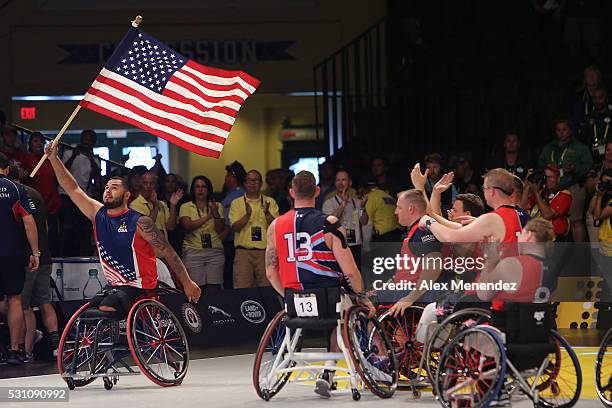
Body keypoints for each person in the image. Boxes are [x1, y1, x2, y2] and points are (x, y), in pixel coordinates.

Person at [45, 143, 200, 317]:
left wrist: (187, 282)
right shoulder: (98, 214)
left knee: (107, 308)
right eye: (106, 188)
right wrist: (54, 158)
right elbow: (72, 188)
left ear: (127, 195)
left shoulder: (141, 222)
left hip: (140, 286)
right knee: (89, 311)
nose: (108, 191)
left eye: (114, 188)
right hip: (115, 285)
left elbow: (169, 252)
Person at [264, 170, 375, 398]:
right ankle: (329, 370)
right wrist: (362, 296)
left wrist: (286, 295)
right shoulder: (329, 223)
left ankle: (318, 370)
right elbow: (351, 271)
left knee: (335, 305)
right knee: (344, 309)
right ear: (317, 191)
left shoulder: (275, 226)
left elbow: (270, 272)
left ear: (291, 192)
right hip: (328, 301)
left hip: (293, 301)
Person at [8, 164, 58, 362]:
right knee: (45, 302)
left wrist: (31, 252)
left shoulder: (15, 195)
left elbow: (22, 227)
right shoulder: (36, 194)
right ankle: (56, 346)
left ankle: (26, 351)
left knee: (23, 305)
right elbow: (44, 225)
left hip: (29, 258)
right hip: (44, 256)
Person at [419, 168, 530, 257]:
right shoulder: (525, 216)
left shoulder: (493, 219)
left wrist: (429, 222)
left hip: (506, 281)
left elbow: (451, 237)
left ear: (492, 191)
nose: (483, 192)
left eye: (484, 188)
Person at [0, 153, 39, 365]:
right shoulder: (16, 189)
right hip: (13, 253)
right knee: (15, 299)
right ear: (6, 169)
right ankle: (15, 350)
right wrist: (36, 252)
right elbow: (28, 221)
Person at [387, 189, 444, 316]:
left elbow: (434, 265)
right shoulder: (415, 231)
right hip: (404, 288)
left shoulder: (423, 230)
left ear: (411, 209)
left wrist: (411, 297)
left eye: (399, 208)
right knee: (368, 296)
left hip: (414, 295)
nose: (396, 212)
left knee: (365, 301)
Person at [539, 118, 593, 243]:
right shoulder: (549, 148)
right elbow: (540, 164)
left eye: (564, 129)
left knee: (576, 220)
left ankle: (579, 251)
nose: (561, 133)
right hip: (552, 187)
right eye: (558, 130)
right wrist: (548, 166)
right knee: (551, 218)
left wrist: (575, 168)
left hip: (573, 185)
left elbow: (588, 164)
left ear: (570, 130)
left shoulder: (580, 147)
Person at [476, 218, 554, 303]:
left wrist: (491, 259)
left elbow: (483, 294)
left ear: (528, 235)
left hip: (510, 315)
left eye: (520, 233)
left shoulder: (512, 265)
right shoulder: (554, 267)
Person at [229, 170, 279, 288]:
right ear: (244, 184)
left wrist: (267, 214)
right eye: (249, 180)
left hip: (265, 252)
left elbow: (277, 227)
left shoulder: (270, 202)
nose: (252, 183)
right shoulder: (237, 203)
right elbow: (235, 228)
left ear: (261, 183)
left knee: (267, 288)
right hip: (243, 252)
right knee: (242, 288)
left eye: (256, 180)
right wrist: (247, 216)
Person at [179, 176, 227, 293]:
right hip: (193, 251)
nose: (200, 190)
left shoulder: (217, 206)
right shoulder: (186, 206)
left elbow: (220, 229)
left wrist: (215, 212)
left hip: (214, 251)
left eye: (203, 187)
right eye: (197, 187)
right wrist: (207, 217)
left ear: (209, 189)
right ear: (193, 190)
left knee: (214, 288)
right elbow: (188, 226)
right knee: (197, 289)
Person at [58, 130, 102, 256]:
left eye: (90, 141)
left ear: (93, 143)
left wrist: (91, 159)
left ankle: (83, 253)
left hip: (84, 195)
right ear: (81, 140)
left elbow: (97, 175)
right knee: (67, 226)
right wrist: (74, 155)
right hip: (66, 194)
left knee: (84, 227)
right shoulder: (69, 153)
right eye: (85, 140)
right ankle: (65, 253)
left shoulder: (94, 159)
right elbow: (62, 170)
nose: (87, 143)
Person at [22, 132, 62, 256]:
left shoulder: (50, 159)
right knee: (38, 237)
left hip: (51, 204)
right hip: (35, 205)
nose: (38, 144)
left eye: (40, 141)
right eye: (35, 141)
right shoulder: (26, 158)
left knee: (53, 238)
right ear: (30, 144)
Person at [130, 172, 183, 259]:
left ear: (156, 186)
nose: (148, 186)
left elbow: (171, 227)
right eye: (145, 183)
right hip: (146, 254)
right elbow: (146, 228)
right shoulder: (135, 205)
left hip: (163, 254)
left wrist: (173, 205)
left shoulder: (162, 204)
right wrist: (155, 206)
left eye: (151, 183)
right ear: (140, 184)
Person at [322, 170, 368, 266]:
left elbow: (364, 221)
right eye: (338, 180)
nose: (340, 183)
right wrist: (343, 204)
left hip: (356, 245)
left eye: (343, 180)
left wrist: (362, 207)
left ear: (350, 183)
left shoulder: (357, 202)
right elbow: (329, 222)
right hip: (338, 246)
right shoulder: (328, 203)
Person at [523, 165, 572, 241]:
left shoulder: (564, 194)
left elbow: (548, 215)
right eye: (545, 177)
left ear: (558, 178)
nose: (547, 180)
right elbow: (524, 206)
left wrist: (536, 193)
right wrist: (529, 183)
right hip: (539, 237)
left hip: (555, 239)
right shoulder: (542, 193)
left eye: (551, 177)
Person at [221, 160, 247, 289]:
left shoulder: (236, 196)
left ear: (233, 178)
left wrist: (221, 239)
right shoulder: (233, 194)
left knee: (231, 279)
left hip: (232, 242)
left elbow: (229, 223)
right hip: (232, 243)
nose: (226, 179)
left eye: (227, 176)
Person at [589, 169, 612, 293]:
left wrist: (600, 195)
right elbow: (591, 210)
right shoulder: (604, 197)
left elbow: (598, 216)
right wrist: (598, 194)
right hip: (605, 249)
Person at [581, 87, 612, 162]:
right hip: (591, 159)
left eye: (600, 97)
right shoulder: (588, 118)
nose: (597, 101)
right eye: (594, 98)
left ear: (606, 99)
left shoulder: (611, 116)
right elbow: (583, 140)